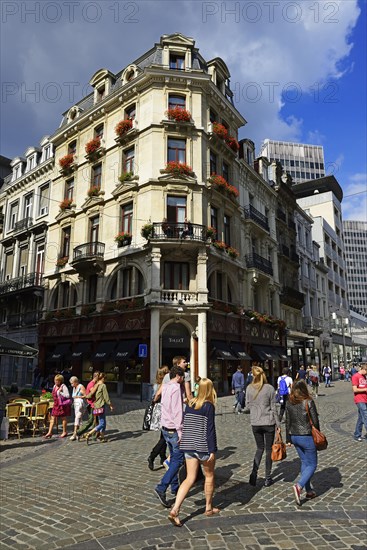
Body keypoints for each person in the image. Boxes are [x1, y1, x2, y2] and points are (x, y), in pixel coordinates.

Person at [168, 378, 219, 526]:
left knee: (189, 478)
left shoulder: (190, 404)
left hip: (188, 444)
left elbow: (186, 423)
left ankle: (175, 509)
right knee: (209, 476)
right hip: (202, 446)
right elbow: (210, 430)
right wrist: (212, 450)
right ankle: (208, 507)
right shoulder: (208, 406)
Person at [154, 366, 185, 508]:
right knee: (178, 460)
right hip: (173, 429)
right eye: (183, 376)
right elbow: (177, 410)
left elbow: (163, 405)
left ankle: (175, 487)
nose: (183, 379)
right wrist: (180, 430)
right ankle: (162, 487)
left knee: (173, 457)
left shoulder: (165, 386)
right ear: (178, 376)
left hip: (165, 427)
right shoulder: (176, 388)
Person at [285, 380, 320, 505]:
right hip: (307, 436)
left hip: (294, 436)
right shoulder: (308, 401)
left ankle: (309, 490)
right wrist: (318, 436)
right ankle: (299, 486)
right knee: (312, 464)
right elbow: (315, 421)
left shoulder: (289, 403)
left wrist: (288, 439)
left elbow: (287, 422)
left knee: (305, 462)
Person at [246, 366, 281, 487]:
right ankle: (267, 477)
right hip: (268, 422)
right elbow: (274, 407)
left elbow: (247, 406)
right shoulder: (270, 388)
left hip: (255, 423)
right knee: (268, 450)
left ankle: (254, 473)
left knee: (259, 448)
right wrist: (278, 424)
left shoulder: (249, 388)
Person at [148, 366, 169, 470]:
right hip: (164, 412)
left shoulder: (156, 385)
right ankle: (152, 456)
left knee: (163, 436)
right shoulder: (163, 385)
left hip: (159, 412)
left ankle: (162, 456)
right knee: (164, 437)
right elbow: (155, 397)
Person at [84, 373, 113, 443]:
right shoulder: (103, 385)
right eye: (105, 379)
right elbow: (106, 397)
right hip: (101, 405)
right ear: (103, 378)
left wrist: (85, 396)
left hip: (96, 405)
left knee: (103, 422)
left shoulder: (96, 385)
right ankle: (89, 433)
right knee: (102, 423)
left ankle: (102, 437)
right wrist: (110, 405)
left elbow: (91, 394)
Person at [44, 374, 71, 438]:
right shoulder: (54, 386)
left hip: (61, 405)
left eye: (57, 380)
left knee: (63, 418)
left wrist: (60, 392)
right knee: (52, 418)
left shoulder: (63, 386)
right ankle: (49, 432)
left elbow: (68, 395)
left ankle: (64, 431)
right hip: (55, 404)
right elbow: (54, 394)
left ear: (60, 381)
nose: (55, 381)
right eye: (55, 380)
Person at [77, 370, 100, 438]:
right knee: (91, 420)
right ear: (96, 377)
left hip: (94, 404)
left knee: (96, 420)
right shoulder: (91, 384)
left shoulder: (94, 384)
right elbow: (94, 393)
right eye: (99, 377)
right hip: (91, 405)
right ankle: (79, 432)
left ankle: (95, 434)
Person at [351, 364, 367, 442]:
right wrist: (365, 389)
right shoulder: (355, 376)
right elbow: (355, 389)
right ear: (364, 369)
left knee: (361, 418)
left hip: (365, 399)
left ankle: (357, 434)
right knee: (365, 416)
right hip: (359, 399)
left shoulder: (364, 377)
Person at [69, 376, 86, 441]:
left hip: (80, 405)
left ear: (76, 382)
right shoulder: (74, 387)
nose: (71, 385)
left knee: (77, 418)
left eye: (72, 383)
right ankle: (80, 433)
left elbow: (85, 395)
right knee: (80, 418)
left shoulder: (80, 386)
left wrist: (78, 396)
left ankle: (75, 433)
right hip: (76, 405)